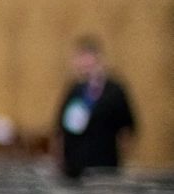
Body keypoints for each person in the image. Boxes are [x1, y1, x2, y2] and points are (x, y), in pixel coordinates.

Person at [54, 35, 135, 179]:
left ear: (97, 58)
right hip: (74, 166)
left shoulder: (115, 91)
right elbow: (61, 128)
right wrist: (61, 159)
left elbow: (128, 129)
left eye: (85, 57)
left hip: (105, 164)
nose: (81, 62)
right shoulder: (75, 90)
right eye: (79, 58)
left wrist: (124, 158)